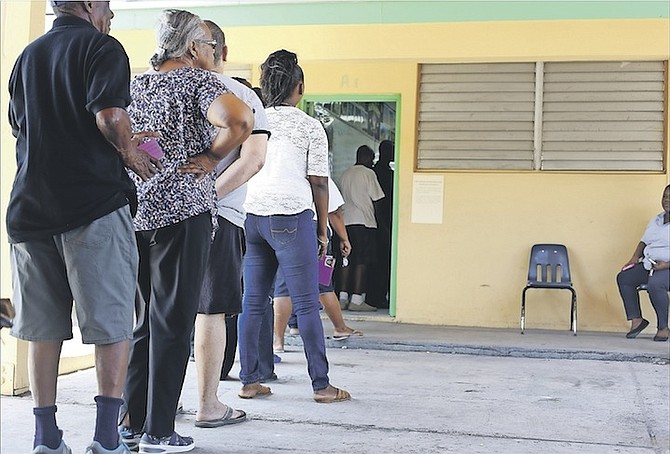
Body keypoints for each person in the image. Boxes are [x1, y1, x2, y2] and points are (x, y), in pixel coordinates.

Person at [6, 2, 161, 453]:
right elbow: (110, 116)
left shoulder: (27, 56)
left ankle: (46, 439)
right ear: (91, 4)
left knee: (42, 328)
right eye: (109, 5)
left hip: (30, 212)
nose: (110, 14)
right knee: (111, 324)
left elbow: (20, 125)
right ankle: (106, 438)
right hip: (91, 207)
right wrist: (131, 152)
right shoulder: (102, 48)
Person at [119, 10, 252, 453]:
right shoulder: (198, 83)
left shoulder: (135, 85)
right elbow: (240, 121)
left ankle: (130, 424)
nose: (214, 54)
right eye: (211, 46)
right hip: (183, 212)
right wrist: (212, 159)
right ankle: (159, 432)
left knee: (143, 323)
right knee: (174, 323)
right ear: (194, 48)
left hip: (139, 214)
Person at [238, 49, 350, 403]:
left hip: (253, 217)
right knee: (305, 303)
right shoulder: (308, 125)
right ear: (298, 87)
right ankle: (321, 385)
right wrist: (321, 228)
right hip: (291, 218)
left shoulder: (254, 118)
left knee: (253, 303)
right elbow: (319, 182)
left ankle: (249, 381)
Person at [192, 19, 269, 427]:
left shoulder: (156, 89)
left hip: (159, 217)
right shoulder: (241, 95)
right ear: (221, 51)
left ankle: (149, 405)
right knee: (211, 311)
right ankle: (208, 405)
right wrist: (208, 195)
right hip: (220, 216)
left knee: (157, 310)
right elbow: (253, 160)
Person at [274, 179, 362, 353]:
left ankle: (280, 339)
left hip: (282, 228)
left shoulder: (282, 172)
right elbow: (334, 212)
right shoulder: (321, 177)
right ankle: (340, 328)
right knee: (323, 283)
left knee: (284, 285)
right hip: (315, 231)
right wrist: (344, 238)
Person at [616, 185, 670, 342]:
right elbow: (644, 241)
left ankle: (663, 327)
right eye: (665, 196)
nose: (667, 200)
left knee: (655, 284)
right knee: (624, 278)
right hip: (651, 264)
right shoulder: (657, 219)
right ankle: (637, 320)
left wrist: (665, 265)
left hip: (667, 267)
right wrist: (634, 258)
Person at [336, 145, 385, 312]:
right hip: (364, 223)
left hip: (345, 223)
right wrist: (383, 225)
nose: (372, 163)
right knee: (362, 262)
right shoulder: (368, 174)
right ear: (365, 157)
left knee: (346, 260)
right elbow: (377, 200)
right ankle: (357, 299)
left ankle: (342, 298)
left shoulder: (345, 174)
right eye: (371, 159)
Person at [368, 140, 394, 309]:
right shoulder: (377, 173)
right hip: (380, 223)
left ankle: (378, 296)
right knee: (379, 262)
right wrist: (383, 226)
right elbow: (379, 202)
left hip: (381, 222)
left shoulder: (380, 171)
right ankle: (376, 296)